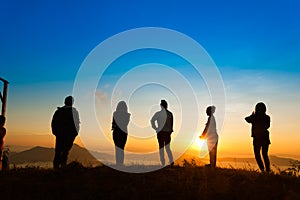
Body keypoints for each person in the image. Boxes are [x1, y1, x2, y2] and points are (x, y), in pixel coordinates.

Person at [51, 96, 80, 169]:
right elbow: (77, 124)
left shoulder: (59, 111)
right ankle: (62, 168)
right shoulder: (74, 112)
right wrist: (75, 134)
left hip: (60, 135)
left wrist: (55, 132)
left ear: (64, 102)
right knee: (65, 152)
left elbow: (53, 123)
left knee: (58, 151)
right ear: (72, 103)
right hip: (69, 135)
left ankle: (56, 169)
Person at [245, 102, 271, 172]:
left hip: (258, 138)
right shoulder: (266, 117)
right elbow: (247, 119)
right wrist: (253, 116)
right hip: (263, 137)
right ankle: (266, 170)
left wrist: (253, 116)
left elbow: (247, 119)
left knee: (259, 155)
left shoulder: (256, 117)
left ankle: (264, 170)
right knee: (263, 154)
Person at [151, 100, 174, 166]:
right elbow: (172, 124)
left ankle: (163, 163)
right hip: (167, 133)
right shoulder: (170, 114)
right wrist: (170, 130)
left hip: (161, 132)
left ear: (161, 106)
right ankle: (171, 162)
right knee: (167, 148)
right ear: (166, 106)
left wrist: (155, 128)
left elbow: (152, 120)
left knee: (161, 147)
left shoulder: (158, 113)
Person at [112, 101, 130, 166]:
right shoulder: (127, 115)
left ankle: (118, 164)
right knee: (122, 149)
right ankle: (121, 164)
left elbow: (113, 124)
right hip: (124, 132)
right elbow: (126, 124)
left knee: (117, 148)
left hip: (116, 132)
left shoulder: (115, 113)